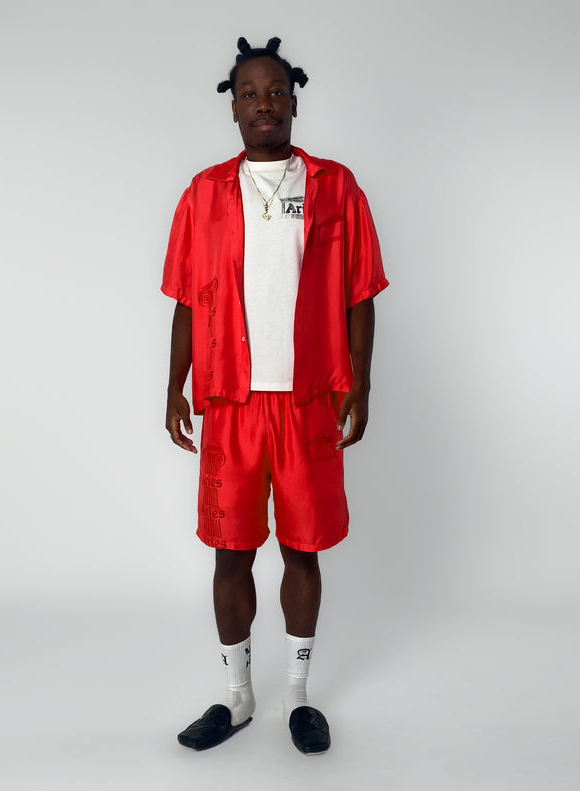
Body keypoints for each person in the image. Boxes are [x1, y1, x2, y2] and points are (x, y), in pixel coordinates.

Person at [162, 37, 388, 755]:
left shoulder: (335, 187)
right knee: (229, 552)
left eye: (276, 91)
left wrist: (360, 381)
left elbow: (360, 292)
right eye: (249, 93)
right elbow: (186, 300)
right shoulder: (203, 194)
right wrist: (174, 385)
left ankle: (296, 696)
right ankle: (237, 697)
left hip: (307, 398)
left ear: (294, 101)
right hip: (231, 400)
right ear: (232, 108)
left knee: (302, 548)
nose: (264, 103)